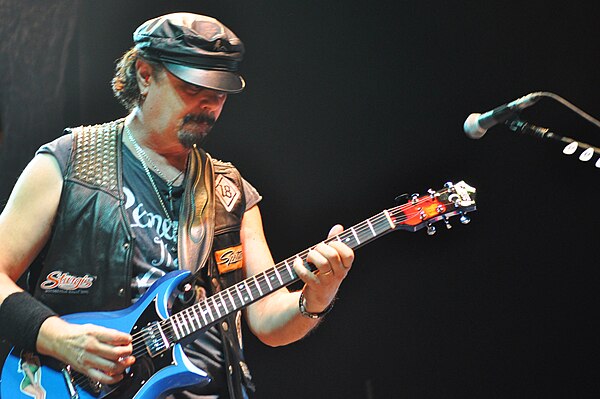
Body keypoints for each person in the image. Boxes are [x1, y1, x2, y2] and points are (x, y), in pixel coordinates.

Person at [0, 12, 354, 399]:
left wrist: (316, 298)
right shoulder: (70, 161)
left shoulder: (230, 191)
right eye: (192, 87)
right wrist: (58, 337)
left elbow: (269, 322)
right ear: (145, 74)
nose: (208, 104)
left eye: (219, 94)